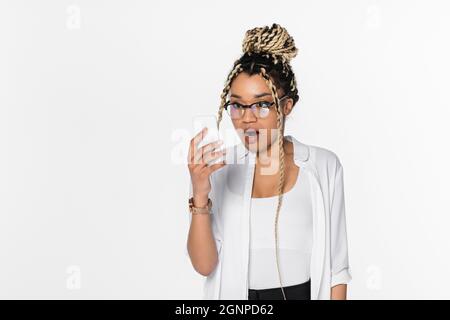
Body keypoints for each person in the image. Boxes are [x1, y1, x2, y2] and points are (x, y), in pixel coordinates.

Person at [186, 23, 352, 300]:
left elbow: (337, 270)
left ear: (287, 106)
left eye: (262, 104)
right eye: (237, 105)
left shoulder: (323, 166)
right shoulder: (215, 169)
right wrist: (199, 194)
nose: (247, 118)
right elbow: (204, 266)